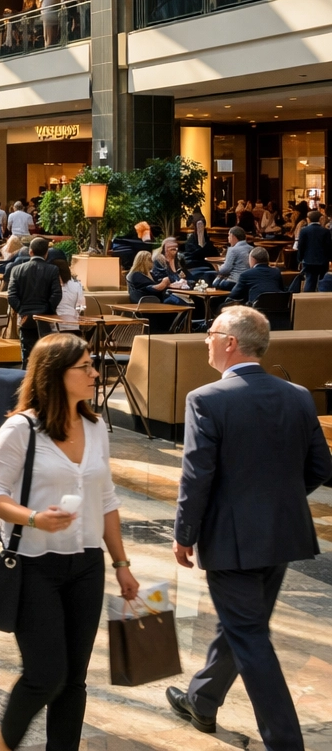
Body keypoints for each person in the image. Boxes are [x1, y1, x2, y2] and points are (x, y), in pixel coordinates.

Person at [167, 306, 332, 750]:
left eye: (211, 332)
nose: (205, 338)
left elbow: (196, 476)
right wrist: (277, 499)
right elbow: (321, 465)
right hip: (283, 533)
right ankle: (202, 699)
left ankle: (285, 742)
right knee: (242, 623)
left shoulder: (206, 399)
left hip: (232, 539)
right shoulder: (298, 395)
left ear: (230, 343)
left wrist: (184, 534)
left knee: (249, 634)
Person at [0, 332, 140, 751]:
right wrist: (34, 518)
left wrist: (122, 564)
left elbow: (106, 500)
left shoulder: (96, 426)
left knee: (74, 679)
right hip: (34, 563)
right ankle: (3, 740)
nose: (95, 374)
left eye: (93, 366)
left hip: (87, 563)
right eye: (85, 367)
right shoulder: (21, 429)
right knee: (45, 673)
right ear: (55, 374)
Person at [8, 237, 64, 367]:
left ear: (30, 252)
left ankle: (26, 382)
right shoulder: (52, 270)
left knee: (27, 354)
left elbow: (11, 296)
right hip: (44, 317)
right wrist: (48, 309)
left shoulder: (17, 270)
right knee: (45, 355)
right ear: (46, 253)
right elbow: (57, 294)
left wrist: (21, 310)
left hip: (25, 317)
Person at [295, 210, 331, 292]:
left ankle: (309, 300)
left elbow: (301, 246)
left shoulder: (304, 230)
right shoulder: (325, 231)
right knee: (322, 281)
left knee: (310, 280)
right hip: (323, 261)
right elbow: (329, 246)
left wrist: (299, 259)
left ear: (308, 219)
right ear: (320, 219)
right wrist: (329, 259)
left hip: (308, 260)